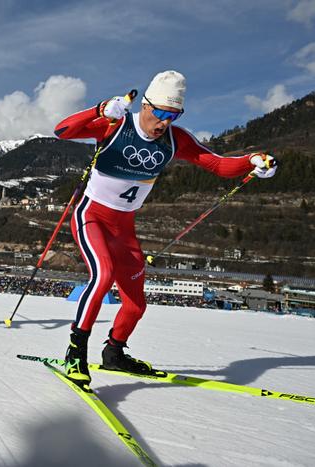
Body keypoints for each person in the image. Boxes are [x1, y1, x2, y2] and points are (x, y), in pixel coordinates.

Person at [53, 70, 277, 388]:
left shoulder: (175, 139)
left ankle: (114, 352)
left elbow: (217, 164)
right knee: (103, 275)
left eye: (173, 115)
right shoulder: (117, 124)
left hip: (124, 229)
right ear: (145, 105)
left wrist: (252, 160)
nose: (164, 122)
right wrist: (99, 110)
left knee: (136, 304)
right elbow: (62, 130)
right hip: (92, 217)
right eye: (160, 113)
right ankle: (76, 352)